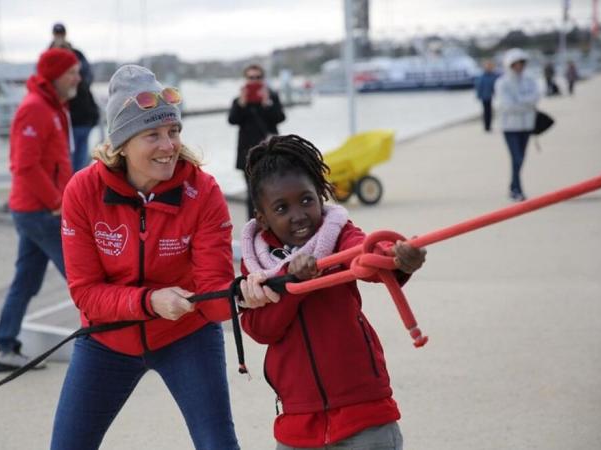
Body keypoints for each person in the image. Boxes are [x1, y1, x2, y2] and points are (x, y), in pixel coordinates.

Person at [51, 65, 265, 450]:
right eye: (152, 134)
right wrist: (150, 301)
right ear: (122, 143)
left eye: (174, 131)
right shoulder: (82, 191)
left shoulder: (203, 191)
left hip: (186, 335)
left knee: (218, 444)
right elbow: (86, 294)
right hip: (107, 340)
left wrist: (241, 296)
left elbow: (213, 292)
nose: (169, 146)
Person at [238, 135, 427, 450]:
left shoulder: (338, 234)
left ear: (320, 196)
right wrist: (292, 283)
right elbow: (262, 329)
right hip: (297, 422)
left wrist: (398, 258)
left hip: (365, 413)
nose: (298, 214)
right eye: (281, 208)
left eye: (307, 200)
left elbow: (368, 254)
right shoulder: (256, 265)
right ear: (262, 217)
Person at [0, 48, 81, 371]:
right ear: (56, 75)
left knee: (27, 280)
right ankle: (112, 343)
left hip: (38, 210)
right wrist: (59, 203)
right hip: (41, 212)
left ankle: (5, 346)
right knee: (81, 275)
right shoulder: (35, 109)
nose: (78, 77)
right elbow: (24, 165)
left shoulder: (52, 107)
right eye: (73, 71)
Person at [228, 63, 286, 219]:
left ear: (263, 79)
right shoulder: (239, 100)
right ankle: (253, 226)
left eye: (258, 77)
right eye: (251, 78)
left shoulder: (271, 97)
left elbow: (280, 118)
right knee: (252, 192)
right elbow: (232, 120)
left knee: (275, 189)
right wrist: (242, 103)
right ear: (245, 79)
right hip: (247, 153)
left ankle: (275, 223)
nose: (254, 81)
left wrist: (267, 102)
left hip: (270, 151)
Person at [50, 22, 100, 172]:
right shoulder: (50, 56)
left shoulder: (77, 55)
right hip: (66, 116)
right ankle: (72, 189)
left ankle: (76, 188)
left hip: (82, 114)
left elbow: (87, 77)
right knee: (67, 158)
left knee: (80, 157)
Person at [495, 48, 540, 202]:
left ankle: (513, 186)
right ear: (510, 65)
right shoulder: (502, 83)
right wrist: (526, 103)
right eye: (516, 63)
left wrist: (519, 102)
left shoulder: (530, 79)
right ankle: (517, 189)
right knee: (517, 158)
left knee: (521, 158)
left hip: (527, 125)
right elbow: (506, 106)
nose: (519, 66)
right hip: (510, 127)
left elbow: (536, 97)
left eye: (521, 63)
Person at [474, 59, 499, 132]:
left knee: (489, 111)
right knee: (486, 111)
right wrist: (478, 96)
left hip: (490, 96)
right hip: (484, 96)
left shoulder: (493, 75)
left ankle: (488, 126)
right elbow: (478, 87)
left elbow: (495, 86)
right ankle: (486, 126)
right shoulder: (482, 76)